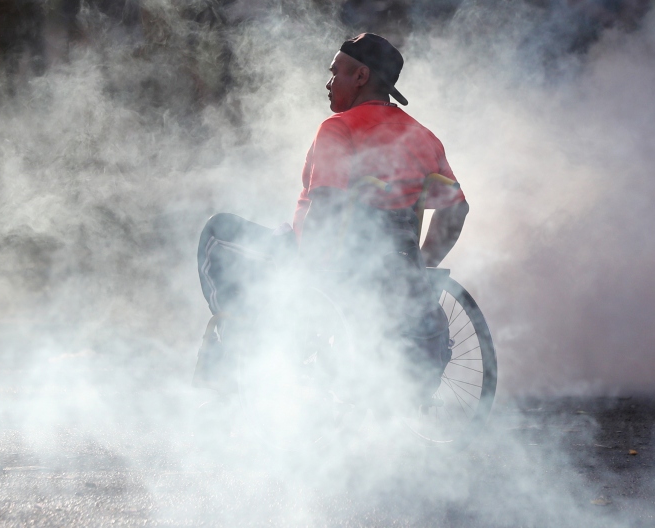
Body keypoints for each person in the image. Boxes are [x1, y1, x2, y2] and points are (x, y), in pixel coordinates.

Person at [194, 33, 470, 398]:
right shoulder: (423, 137)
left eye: (335, 72)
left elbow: (327, 205)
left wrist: (306, 274)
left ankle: (241, 341)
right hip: (395, 268)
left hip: (331, 267)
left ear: (360, 77)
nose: (328, 82)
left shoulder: (338, 129)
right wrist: (422, 265)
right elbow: (457, 207)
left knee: (217, 231)